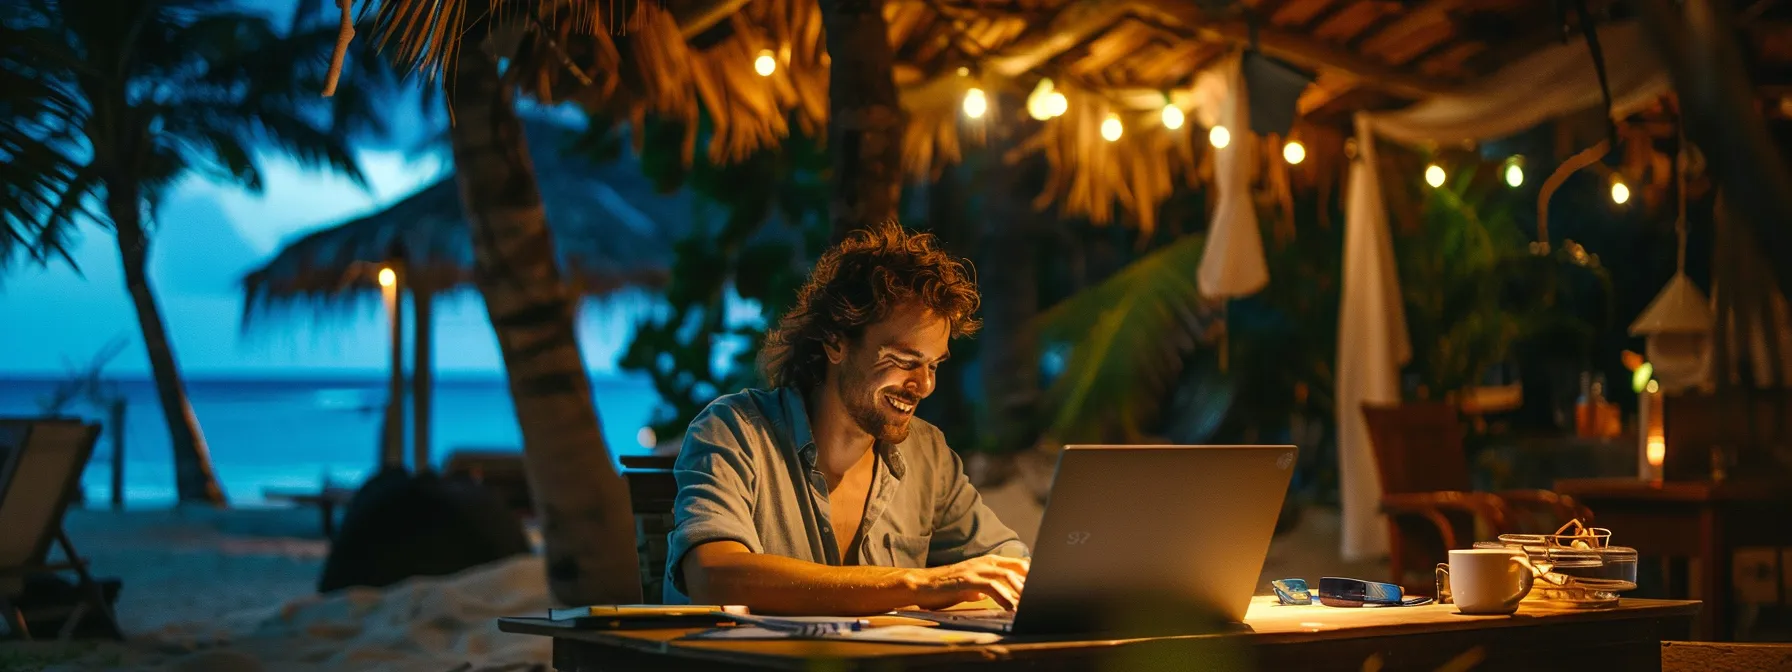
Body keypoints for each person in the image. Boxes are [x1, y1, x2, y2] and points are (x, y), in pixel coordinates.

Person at [663, 220, 1030, 615]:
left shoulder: (928, 454)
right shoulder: (735, 431)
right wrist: (917, 584)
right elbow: (712, 576)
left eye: (934, 366)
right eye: (904, 361)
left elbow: (1007, 565)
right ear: (836, 343)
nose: (923, 385)